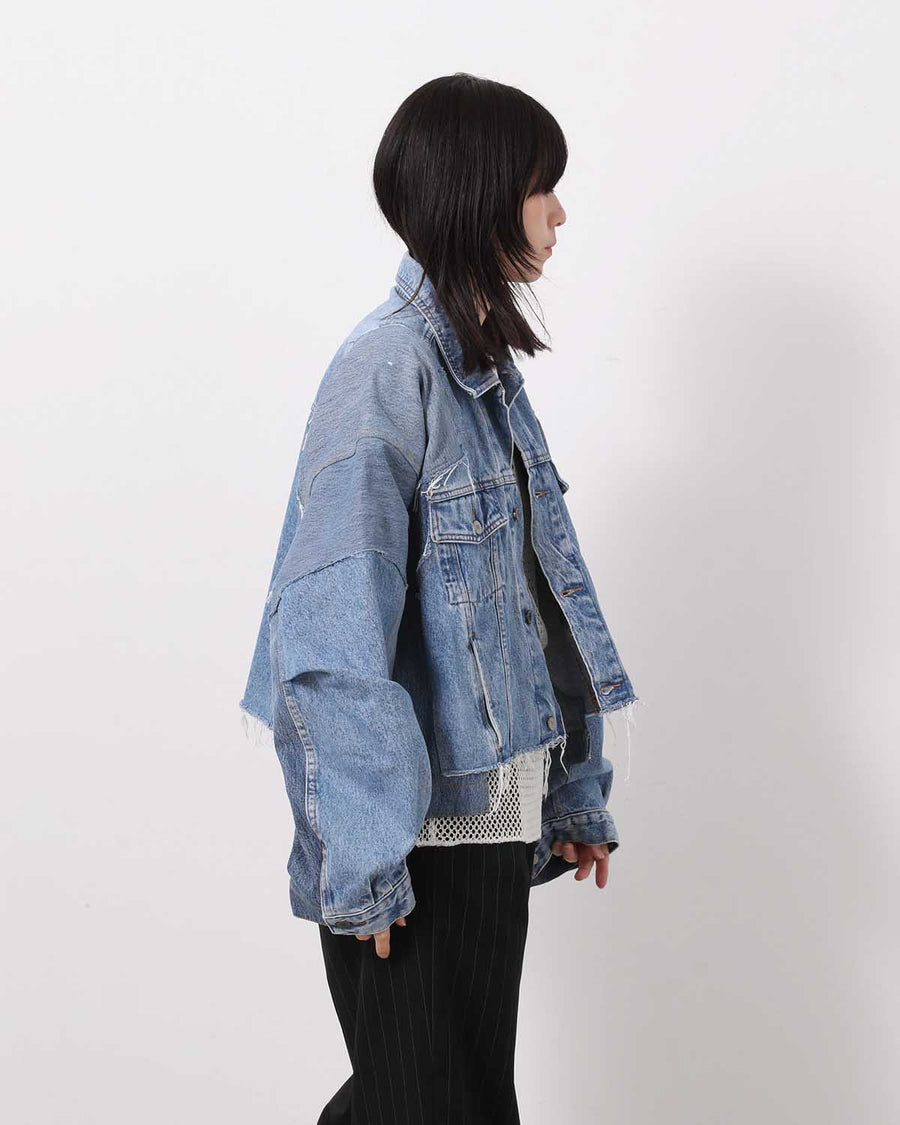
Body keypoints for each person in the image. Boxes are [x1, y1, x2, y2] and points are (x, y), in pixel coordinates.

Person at [240, 72, 638, 1125]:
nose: (559, 214)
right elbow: (329, 633)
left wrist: (572, 788)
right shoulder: (385, 369)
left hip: (488, 825)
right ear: (477, 193)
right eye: (540, 187)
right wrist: (365, 858)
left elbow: (539, 601)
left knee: (450, 1103)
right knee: (426, 1106)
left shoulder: (485, 374)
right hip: (410, 838)